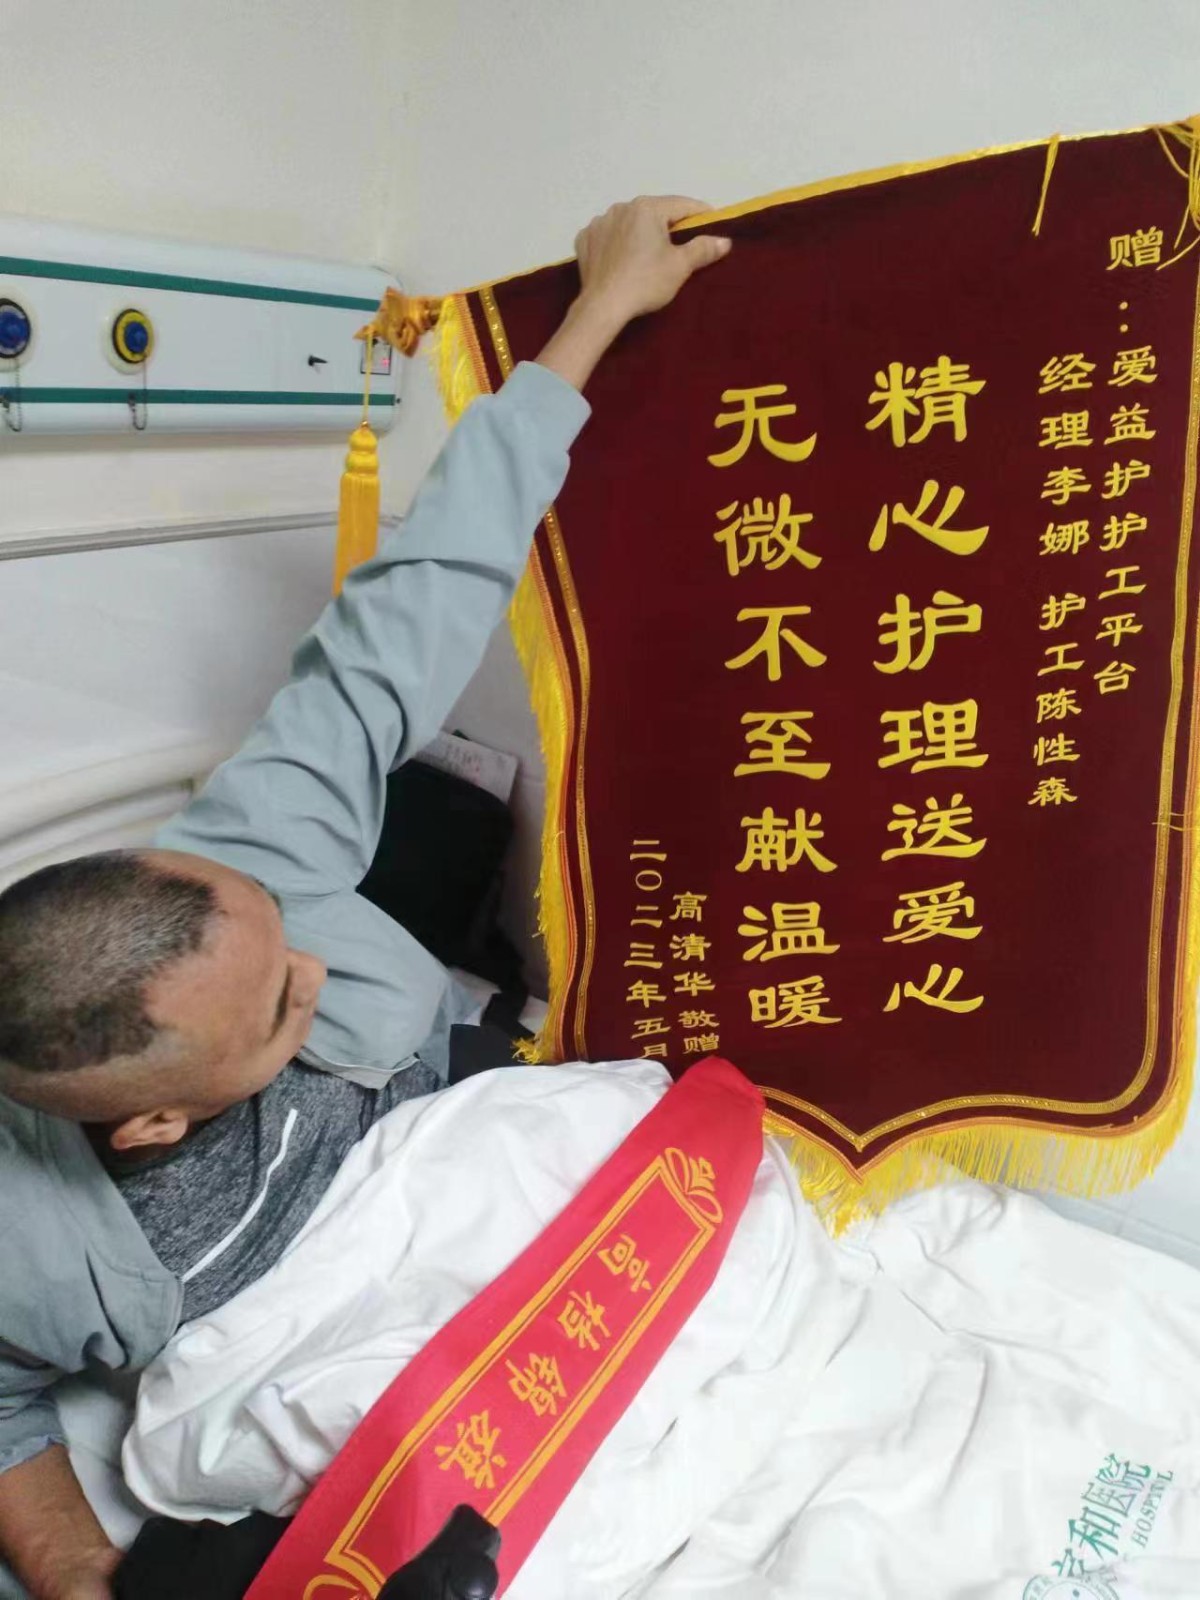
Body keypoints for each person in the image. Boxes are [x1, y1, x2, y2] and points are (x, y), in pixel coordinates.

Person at [0, 196, 732, 1600]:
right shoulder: (29, 1252)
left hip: (472, 1158)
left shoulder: (251, 857)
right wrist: (77, 1567)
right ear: (153, 1122)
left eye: (283, 942)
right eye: (281, 1009)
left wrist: (594, 316)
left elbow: (405, 616)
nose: (320, 975)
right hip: (317, 1350)